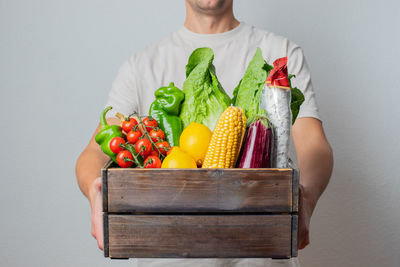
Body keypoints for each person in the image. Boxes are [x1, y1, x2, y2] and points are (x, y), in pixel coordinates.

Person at [75, 0, 333, 266]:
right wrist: (96, 197)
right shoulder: (141, 65)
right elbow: (94, 152)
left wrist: (307, 201)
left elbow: (313, 143)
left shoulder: (281, 52)